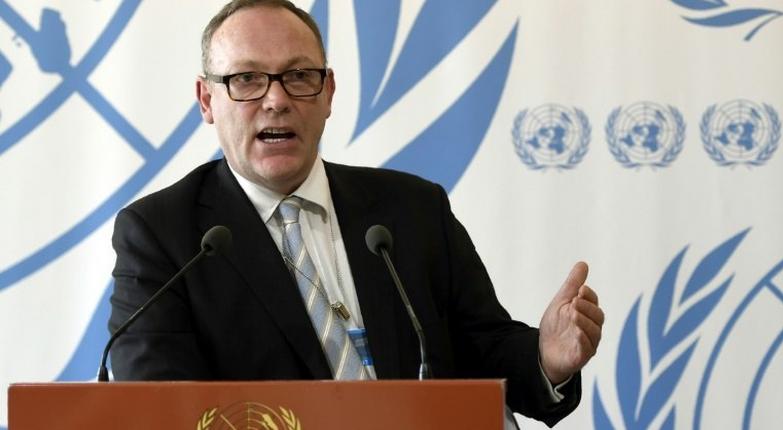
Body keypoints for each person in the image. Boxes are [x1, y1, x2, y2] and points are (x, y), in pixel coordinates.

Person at [108, 0, 604, 427]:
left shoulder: (411, 210)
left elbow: (481, 349)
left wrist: (546, 358)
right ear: (207, 100)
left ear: (328, 93)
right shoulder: (163, 234)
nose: (276, 100)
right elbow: (159, 403)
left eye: (299, 76)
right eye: (247, 79)